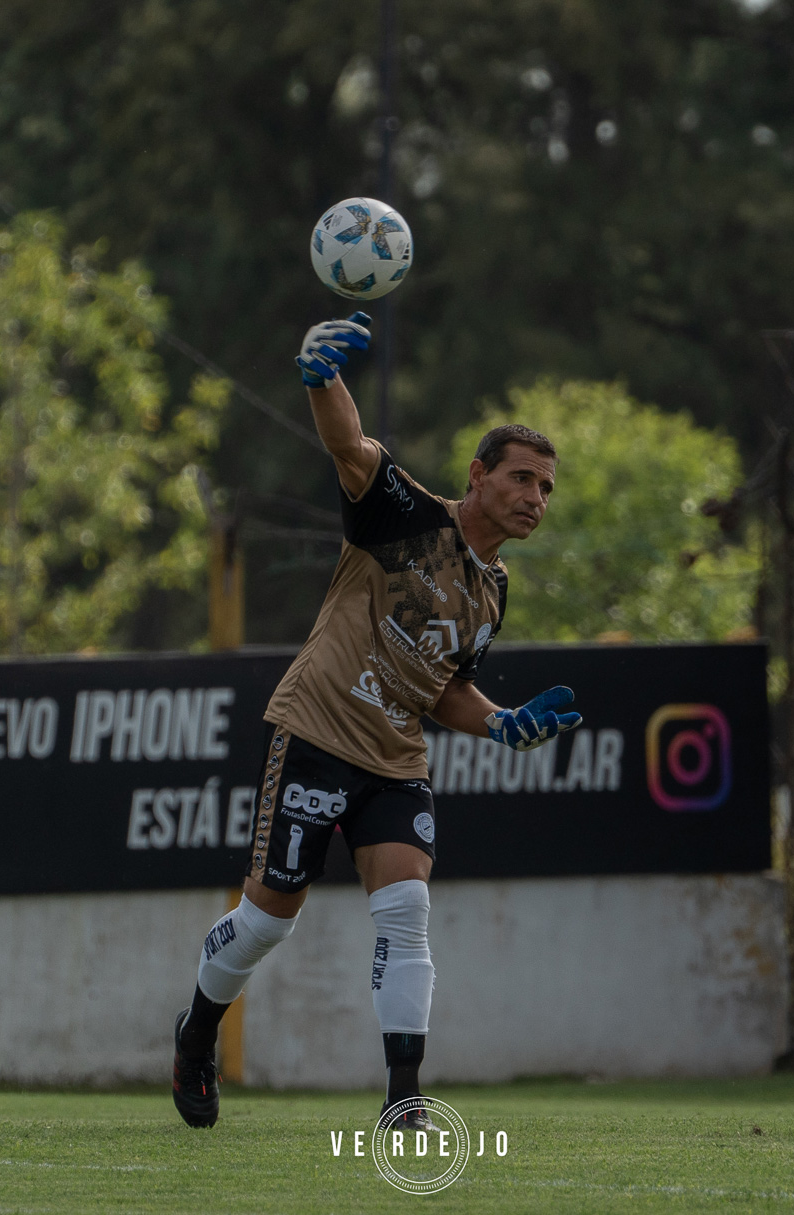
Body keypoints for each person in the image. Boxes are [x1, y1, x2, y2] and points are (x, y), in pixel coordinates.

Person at [170, 311, 581, 1132]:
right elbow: (351, 447)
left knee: (406, 910)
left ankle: (403, 1099)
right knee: (263, 922)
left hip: (395, 759)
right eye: (523, 478)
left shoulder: (495, 591)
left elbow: (446, 687)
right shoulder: (407, 515)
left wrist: (500, 724)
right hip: (316, 730)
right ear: (479, 473)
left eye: (545, 487)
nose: (536, 497)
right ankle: (196, 1033)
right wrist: (323, 375)